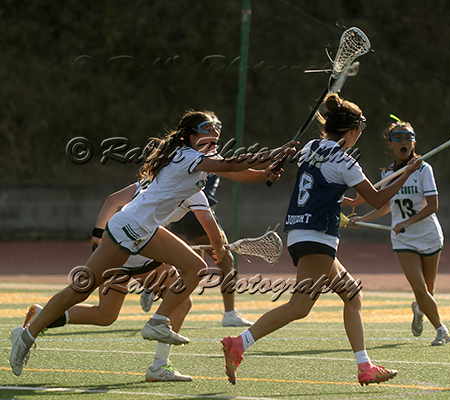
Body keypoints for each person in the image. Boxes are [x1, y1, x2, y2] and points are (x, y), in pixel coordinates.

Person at [10, 108, 296, 376]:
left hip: (145, 231)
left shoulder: (199, 161)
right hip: (127, 229)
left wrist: (265, 173)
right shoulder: (186, 157)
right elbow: (234, 164)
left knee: (195, 268)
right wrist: (277, 152)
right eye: (207, 133)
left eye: (216, 134)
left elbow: (236, 171)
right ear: (191, 137)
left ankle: (157, 323)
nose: (214, 138)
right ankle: (26, 336)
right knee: (80, 291)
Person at [220, 93, 424, 386]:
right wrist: (406, 173)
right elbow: (378, 199)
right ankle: (238, 343)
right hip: (317, 237)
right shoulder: (345, 162)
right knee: (299, 307)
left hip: (302, 233)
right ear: (352, 131)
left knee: (352, 294)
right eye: (360, 129)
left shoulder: (310, 147)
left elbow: (327, 188)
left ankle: (365, 366)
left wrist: (342, 201)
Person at [348, 116, 450, 346]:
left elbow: (433, 206)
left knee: (427, 293)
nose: (403, 141)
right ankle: (442, 330)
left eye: (408, 137)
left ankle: (419, 308)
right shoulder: (388, 175)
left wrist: (407, 221)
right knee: (419, 288)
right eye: (398, 137)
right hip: (403, 239)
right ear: (390, 143)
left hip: (429, 236)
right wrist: (362, 219)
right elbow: (386, 205)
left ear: (414, 142)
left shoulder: (424, 170)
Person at [140, 173, 253, 327]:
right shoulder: (207, 161)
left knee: (190, 268)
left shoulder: (183, 161)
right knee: (226, 262)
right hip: (197, 213)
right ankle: (230, 313)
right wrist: (265, 172)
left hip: (179, 214)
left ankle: (156, 287)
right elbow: (237, 171)